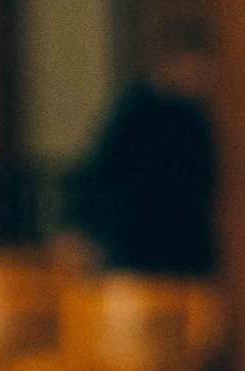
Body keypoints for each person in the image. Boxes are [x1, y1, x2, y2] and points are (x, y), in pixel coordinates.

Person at [65, 21, 220, 280]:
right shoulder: (137, 113)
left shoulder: (196, 119)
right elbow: (100, 176)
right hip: (140, 247)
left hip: (187, 249)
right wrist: (82, 231)